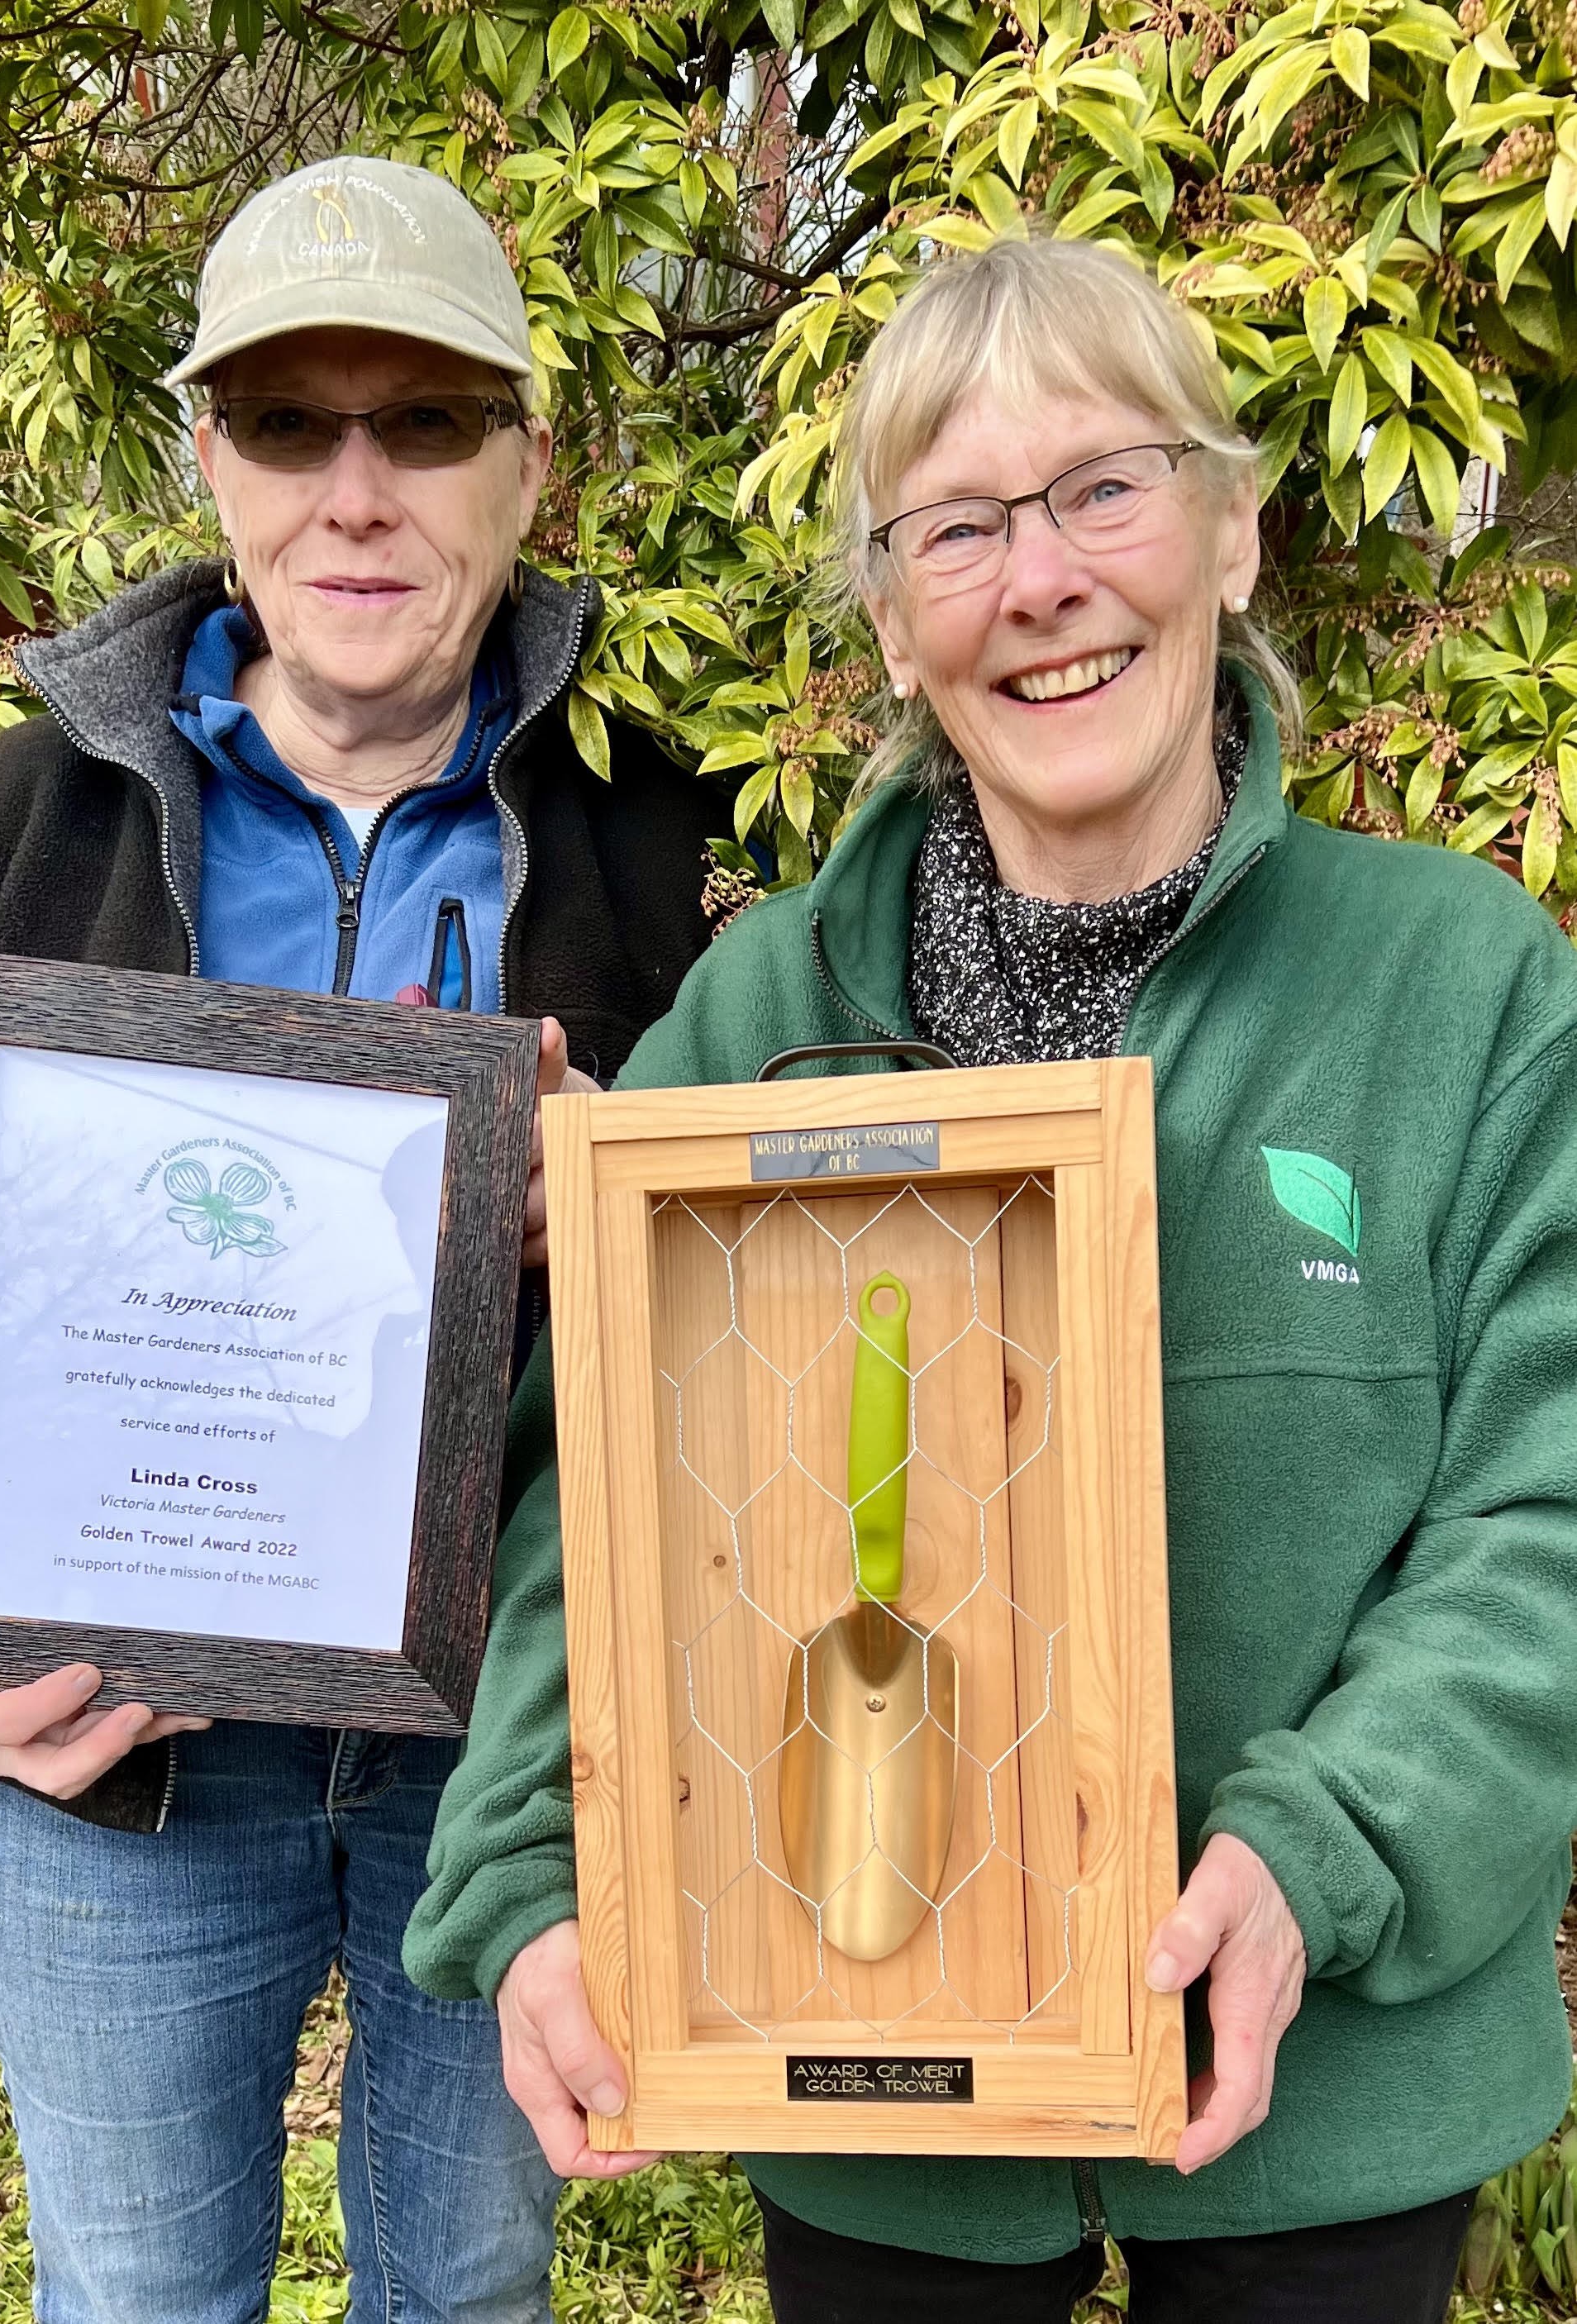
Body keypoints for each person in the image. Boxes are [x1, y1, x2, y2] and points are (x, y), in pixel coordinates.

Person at [401, 236, 1577, 2323]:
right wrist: (529, 1876)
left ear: (1231, 532)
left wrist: (1321, 1852)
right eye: (957, 526)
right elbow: (595, 1495)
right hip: (871, 2096)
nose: (1040, 580)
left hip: (1328, 2097)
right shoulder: (757, 1013)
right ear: (891, 613)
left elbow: (1542, 1516)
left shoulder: (1463, 983)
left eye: (1104, 488)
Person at [0, 153, 725, 2323]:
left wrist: (625, 1197)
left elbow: (789, 1314)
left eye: (427, 419)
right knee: (129, 2297)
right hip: (110, 1777)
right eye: (292, 422)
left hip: (502, 1773)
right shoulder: (9, 829)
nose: (357, 490)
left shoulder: (675, 842)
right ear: (211, 461)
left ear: (527, 460)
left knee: (466, 2289)